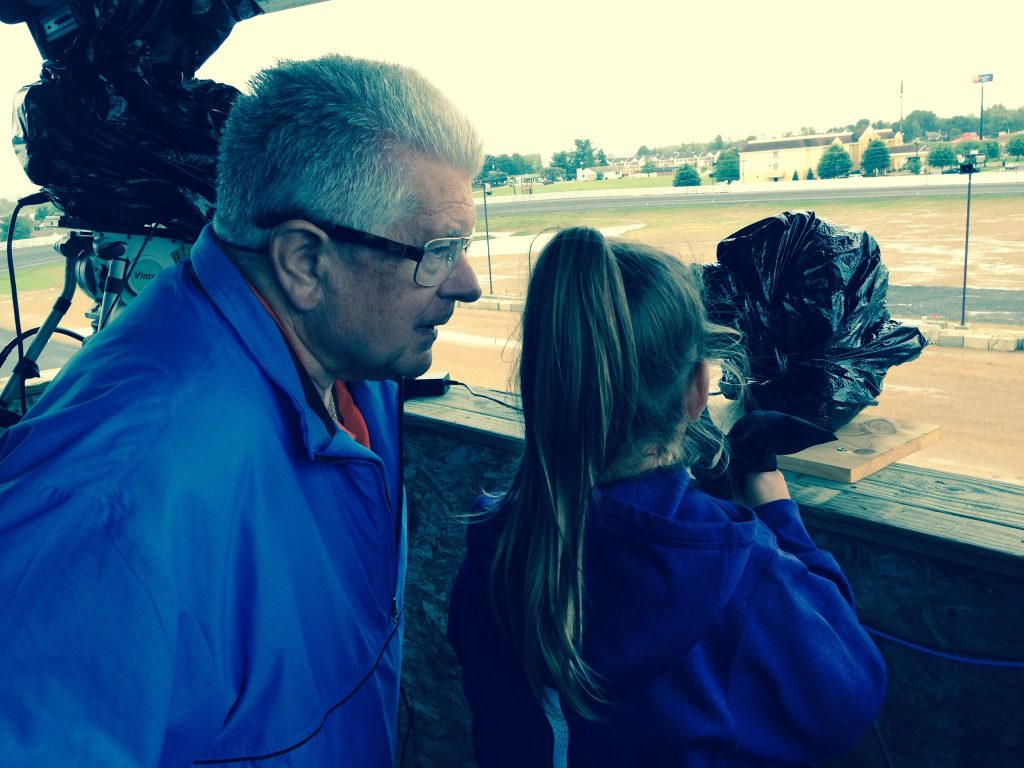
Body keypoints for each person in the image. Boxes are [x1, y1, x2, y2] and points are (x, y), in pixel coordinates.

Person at [0, 55, 482, 765]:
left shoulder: (355, 360)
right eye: (437, 253)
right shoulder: (109, 505)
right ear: (304, 264)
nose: (467, 285)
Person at [447, 228, 887, 767]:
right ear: (699, 389)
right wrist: (778, 514)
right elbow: (851, 692)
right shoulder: (736, 568)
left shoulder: (498, 541)